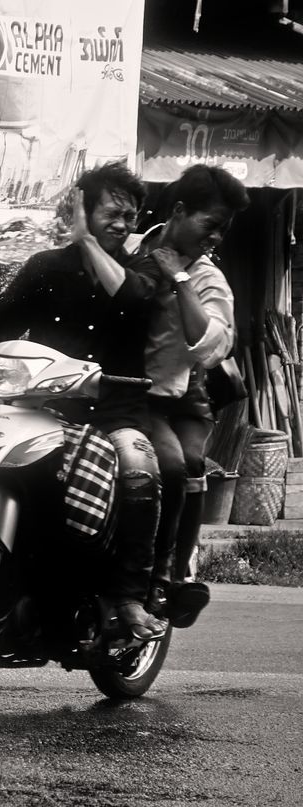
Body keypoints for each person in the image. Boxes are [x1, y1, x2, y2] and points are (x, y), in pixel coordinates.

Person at [0, 161, 168, 640]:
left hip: (116, 412)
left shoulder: (143, 268)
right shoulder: (46, 268)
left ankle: (131, 598)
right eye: (111, 212)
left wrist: (86, 239)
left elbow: (130, 300)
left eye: (129, 216)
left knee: (139, 468)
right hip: (45, 410)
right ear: (82, 208)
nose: (122, 223)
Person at [129, 164, 249, 628]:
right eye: (210, 225)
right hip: (119, 391)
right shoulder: (129, 248)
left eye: (223, 230)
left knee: (181, 466)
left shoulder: (208, 280)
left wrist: (179, 280)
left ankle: (168, 576)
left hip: (178, 399)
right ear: (179, 211)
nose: (216, 237)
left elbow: (214, 346)